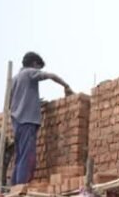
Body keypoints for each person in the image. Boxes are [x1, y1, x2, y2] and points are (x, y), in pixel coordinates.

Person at [9, 52, 72, 185]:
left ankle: (13, 187)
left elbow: (11, 102)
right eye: (39, 67)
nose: (39, 70)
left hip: (17, 122)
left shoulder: (14, 79)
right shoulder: (29, 72)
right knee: (27, 157)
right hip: (27, 121)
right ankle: (21, 187)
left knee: (20, 157)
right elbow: (51, 76)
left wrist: (35, 102)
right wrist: (66, 86)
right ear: (34, 64)